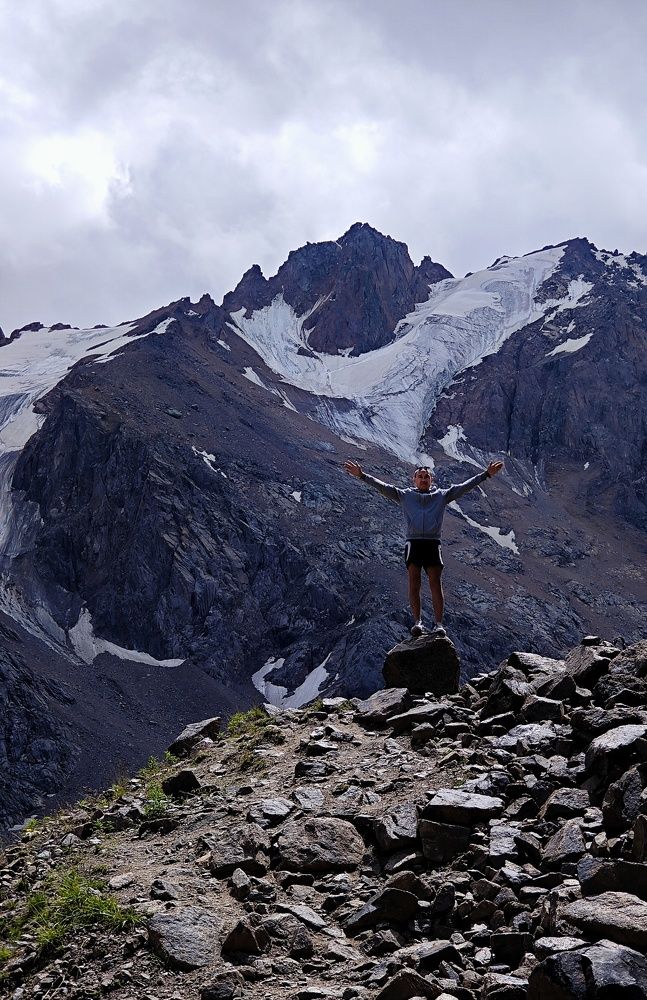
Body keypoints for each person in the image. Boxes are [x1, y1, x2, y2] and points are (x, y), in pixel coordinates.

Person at [344, 459, 504, 637]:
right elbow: (383, 487)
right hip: (413, 543)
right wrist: (362, 476)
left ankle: (438, 624)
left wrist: (486, 475)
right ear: (413, 480)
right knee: (414, 582)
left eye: (426, 477)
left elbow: (463, 487)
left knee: (435, 583)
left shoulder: (441, 495)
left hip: (432, 543)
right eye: (420, 477)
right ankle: (418, 622)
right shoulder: (404, 495)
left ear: (431, 480)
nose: (423, 479)